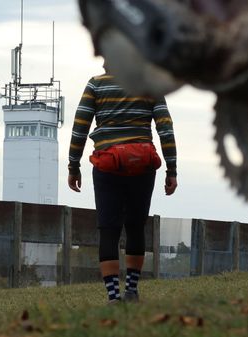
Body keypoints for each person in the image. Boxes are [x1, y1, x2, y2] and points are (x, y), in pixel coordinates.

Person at [67, 64, 178, 304]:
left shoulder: (96, 85)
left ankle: (113, 297)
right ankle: (132, 291)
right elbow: (165, 128)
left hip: (107, 166)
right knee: (136, 227)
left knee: (109, 229)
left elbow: (80, 128)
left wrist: (73, 166)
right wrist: (171, 169)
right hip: (142, 166)